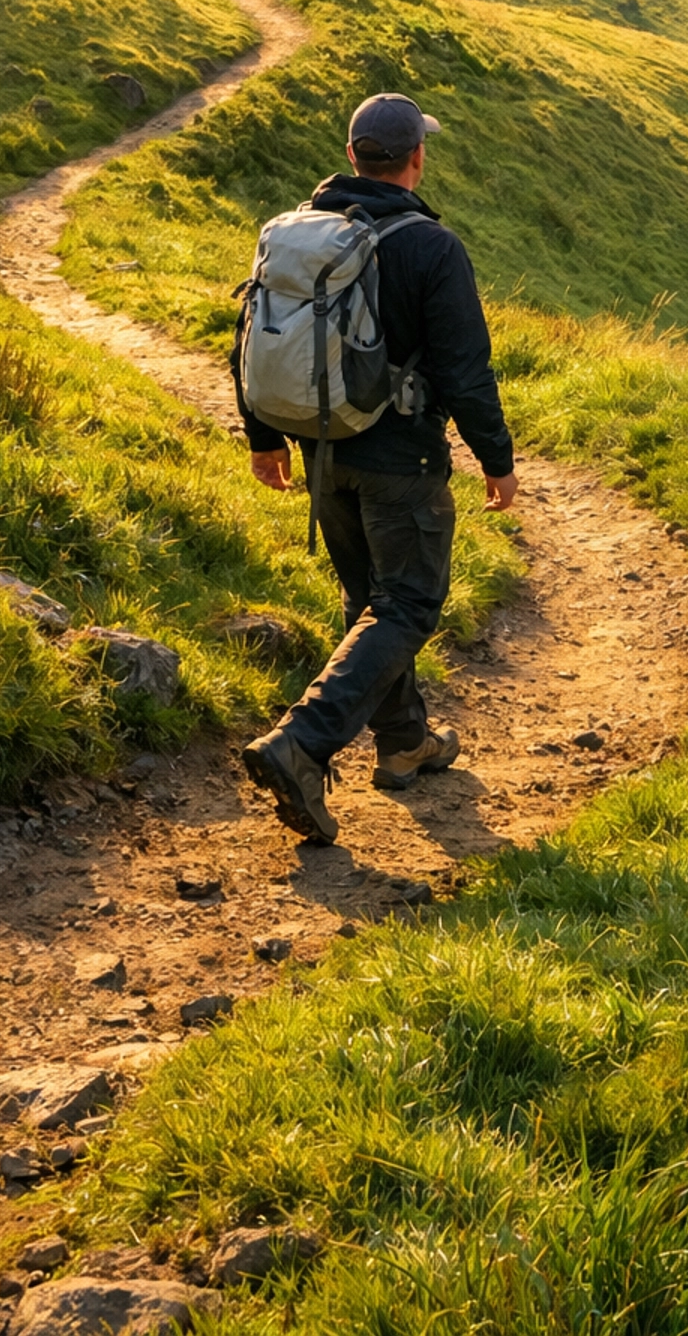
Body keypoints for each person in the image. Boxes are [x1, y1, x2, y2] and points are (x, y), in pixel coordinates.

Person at [236, 91, 518, 845]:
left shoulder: (300, 233)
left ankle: (404, 744)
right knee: (408, 603)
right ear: (416, 159)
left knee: (370, 600)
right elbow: (465, 368)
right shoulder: (431, 246)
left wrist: (263, 436)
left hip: (325, 453)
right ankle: (302, 741)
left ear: (354, 152)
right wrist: (498, 460)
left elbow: (255, 333)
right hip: (402, 459)